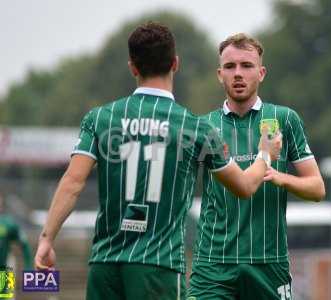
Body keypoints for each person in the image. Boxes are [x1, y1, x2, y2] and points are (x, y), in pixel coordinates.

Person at [34, 23, 281, 300]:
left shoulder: (100, 118)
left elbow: (73, 182)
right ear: (175, 64)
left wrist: (46, 238)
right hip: (159, 267)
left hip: (105, 266)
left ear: (132, 67)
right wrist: (265, 154)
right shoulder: (195, 128)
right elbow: (245, 187)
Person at [188, 33, 326, 300]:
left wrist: (280, 178)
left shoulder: (284, 119)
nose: (238, 74)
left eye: (246, 66)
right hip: (213, 265)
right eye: (230, 67)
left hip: (269, 263)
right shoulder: (203, 126)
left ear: (261, 73)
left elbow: (317, 188)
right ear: (219, 74)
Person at [0, 193, 32, 269]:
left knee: (6, 279)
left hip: (5, 267)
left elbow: (25, 244)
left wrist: (28, 267)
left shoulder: (8, 223)